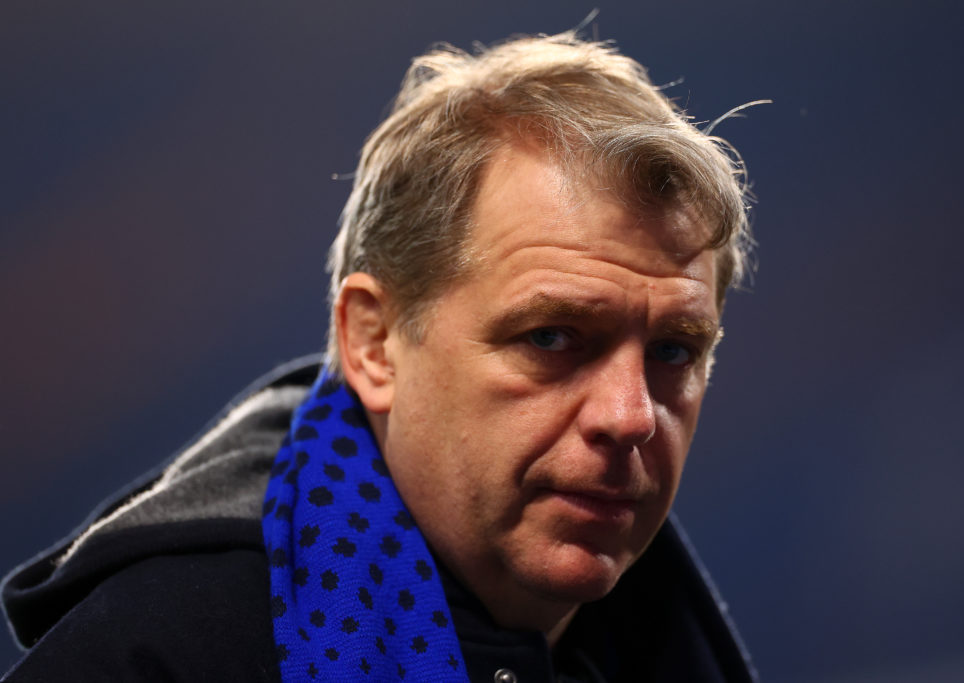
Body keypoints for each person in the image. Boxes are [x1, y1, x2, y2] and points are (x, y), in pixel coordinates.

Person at [2, 29, 758, 682]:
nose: (629, 415)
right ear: (374, 343)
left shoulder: (674, 646)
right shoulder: (162, 655)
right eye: (551, 337)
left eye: (672, 350)